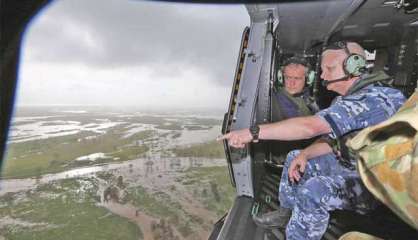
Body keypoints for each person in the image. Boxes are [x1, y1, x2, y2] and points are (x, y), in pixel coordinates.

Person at [218, 41, 406, 240]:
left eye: (329, 68)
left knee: (314, 190)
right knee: (295, 156)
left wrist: (252, 133)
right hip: (352, 165)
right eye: (322, 69)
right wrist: (305, 154)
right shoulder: (345, 99)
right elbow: (331, 139)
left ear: (354, 66)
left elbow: (310, 127)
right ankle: (286, 213)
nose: (323, 76)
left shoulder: (377, 98)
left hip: (379, 181)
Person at [270, 57, 318, 164]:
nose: (291, 83)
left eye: (297, 78)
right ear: (281, 78)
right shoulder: (278, 100)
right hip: (290, 160)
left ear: (308, 79)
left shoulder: (306, 98)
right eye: (288, 78)